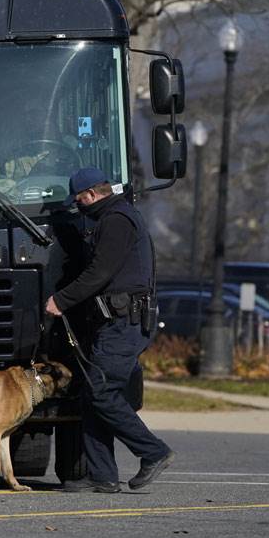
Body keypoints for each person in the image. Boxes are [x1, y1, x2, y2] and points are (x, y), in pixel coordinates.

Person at [44, 166, 174, 493]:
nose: (80, 208)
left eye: (80, 201)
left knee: (102, 392)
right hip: (115, 322)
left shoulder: (117, 220)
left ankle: (153, 451)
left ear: (90, 195)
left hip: (124, 324)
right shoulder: (112, 217)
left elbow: (100, 272)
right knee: (92, 395)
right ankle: (101, 475)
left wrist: (62, 299)